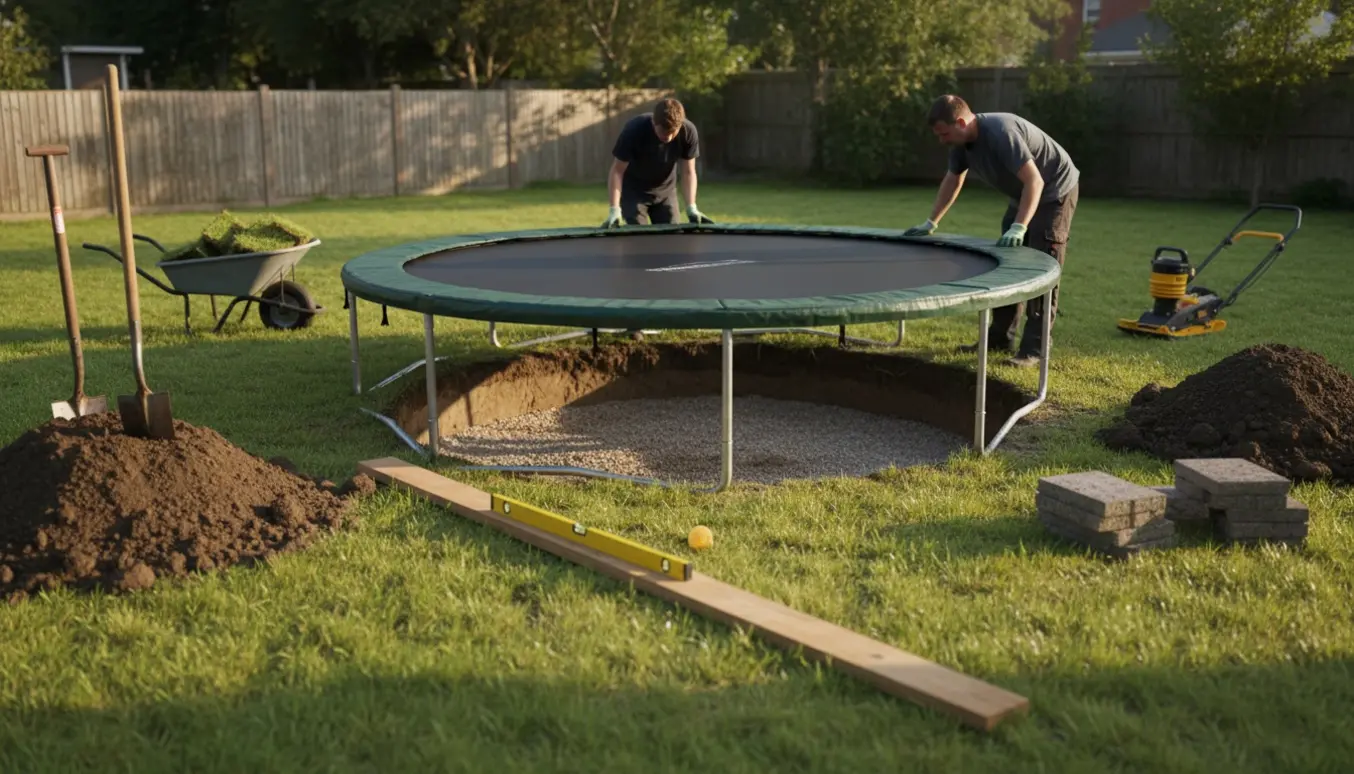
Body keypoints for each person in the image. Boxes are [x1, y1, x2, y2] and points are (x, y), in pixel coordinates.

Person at [904, 94, 1080, 367]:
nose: (942, 140)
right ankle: (999, 337)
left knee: (1044, 269)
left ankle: (1034, 350)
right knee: (1008, 264)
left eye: (944, 134)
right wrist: (931, 222)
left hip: (1054, 191)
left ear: (961, 122)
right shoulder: (960, 143)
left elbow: (1035, 181)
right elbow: (953, 179)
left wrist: (1020, 226)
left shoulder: (1001, 133)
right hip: (1022, 195)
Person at [603, 97, 714, 227]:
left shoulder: (688, 132)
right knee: (638, 239)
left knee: (671, 238)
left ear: (680, 125)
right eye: (663, 132)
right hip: (634, 193)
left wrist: (691, 207)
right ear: (653, 123)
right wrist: (614, 210)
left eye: (672, 132)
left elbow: (688, 172)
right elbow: (617, 171)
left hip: (666, 192)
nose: (668, 137)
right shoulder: (634, 130)